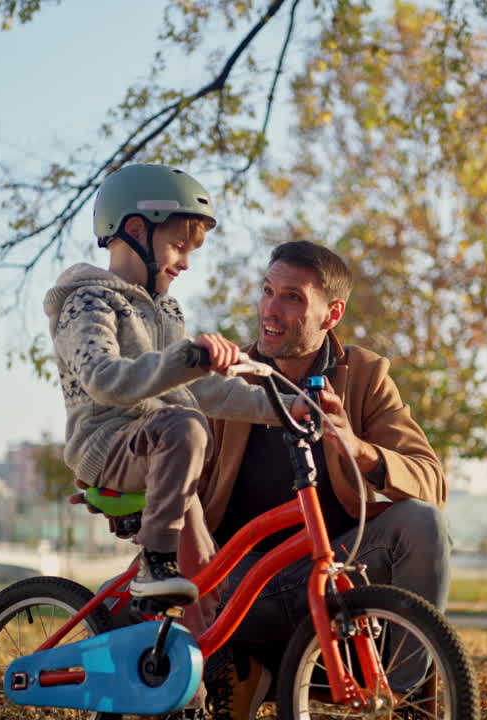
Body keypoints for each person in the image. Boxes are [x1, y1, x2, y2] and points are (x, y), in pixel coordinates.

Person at [197, 240, 450, 720]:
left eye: (293, 297)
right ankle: (242, 669)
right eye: (268, 291)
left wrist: (356, 447)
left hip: (335, 577)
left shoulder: (366, 375)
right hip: (238, 586)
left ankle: (401, 697)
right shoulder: (227, 379)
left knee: (422, 523)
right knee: (127, 606)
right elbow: (178, 465)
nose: (271, 308)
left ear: (332, 314)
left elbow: (431, 480)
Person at [44, 163, 305, 612]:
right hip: (108, 445)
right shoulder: (87, 302)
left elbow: (203, 393)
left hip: (164, 445)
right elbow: (105, 380)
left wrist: (287, 405)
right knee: (186, 428)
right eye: (178, 246)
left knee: (206, 579)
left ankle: (185, 675)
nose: (185, 262)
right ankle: (155, 563)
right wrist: (188, 357)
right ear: (135, 230)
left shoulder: (165, 311)